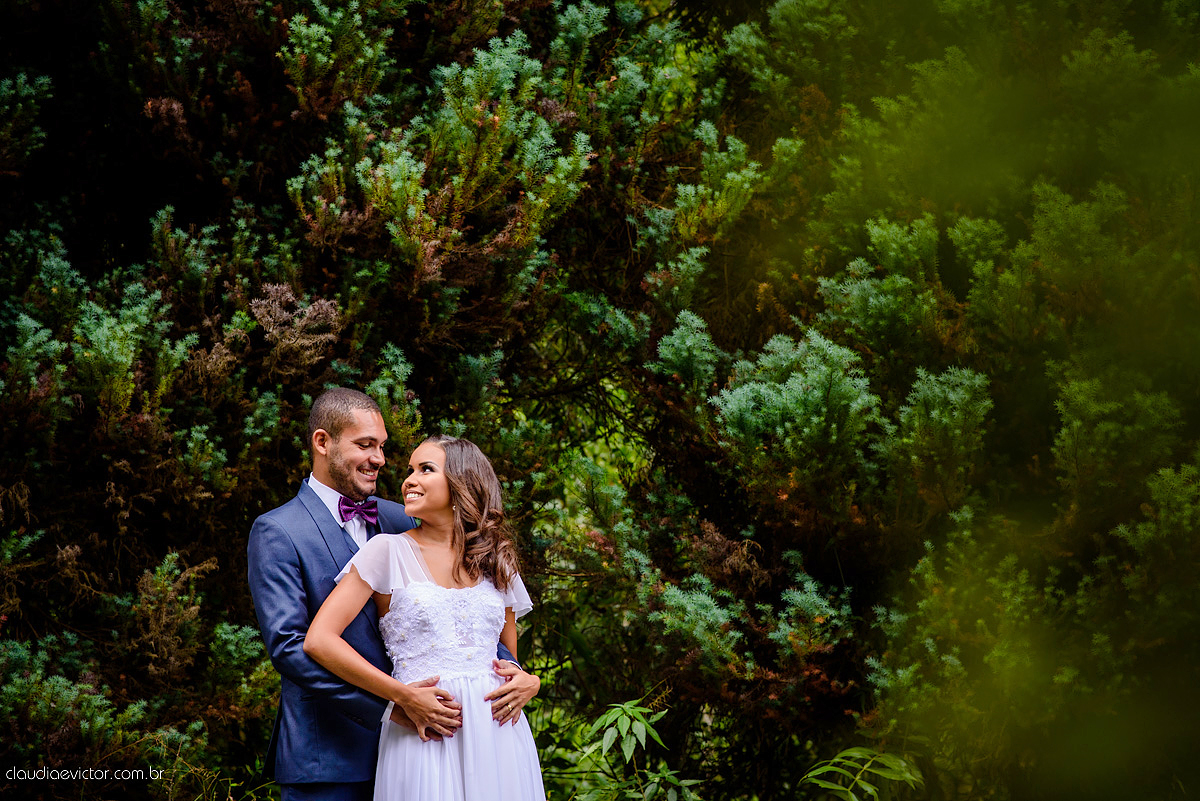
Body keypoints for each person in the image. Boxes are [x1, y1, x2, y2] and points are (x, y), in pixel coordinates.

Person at [247, 389, 537, 801]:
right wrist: (392, 706)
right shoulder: (278, 531)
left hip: (441, 740)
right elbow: (291, 647)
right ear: (323, 442)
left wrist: (520, 676)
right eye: (365, 445)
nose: (380, 459)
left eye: (381, 446)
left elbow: (469, 619)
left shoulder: (406, 516)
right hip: (331, 756)